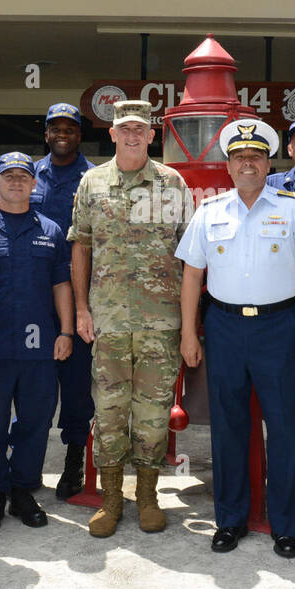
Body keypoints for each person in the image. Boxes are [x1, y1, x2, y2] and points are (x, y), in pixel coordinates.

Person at [177, 119, 295, 558]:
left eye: (256, 156)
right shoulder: (209, 212)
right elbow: (191, 275)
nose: (248, 163)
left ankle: (285, 525)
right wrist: (190, 332)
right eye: (240, 157)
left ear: (268, 165)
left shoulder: (293, 207)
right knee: (228, 428)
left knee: (284, 427)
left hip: (279, 328)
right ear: (228, 166)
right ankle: (230, 520)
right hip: (223, 328)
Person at [69, 100, 193, 538]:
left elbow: (191, 254)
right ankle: (110, 498)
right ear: (114, 134)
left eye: (141, 128)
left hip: (162, 322)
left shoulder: (171, 183)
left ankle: (146, 496)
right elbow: (81, 246)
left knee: (153, 414)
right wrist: (82, 309)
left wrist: (191, 324)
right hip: (109, 321)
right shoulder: (92, 182)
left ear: (152, 134)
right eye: (125, 129)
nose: (133, 135)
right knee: (108, 412)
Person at [0, 152, 74, 533]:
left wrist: (65, 332)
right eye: (7, 175)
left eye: (23, 177)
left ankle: (23, 488)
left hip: (39, 345)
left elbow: (61, 284)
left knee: (35, 421)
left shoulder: (50, 230)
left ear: (34, 184)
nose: (16, 182)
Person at [31, 103, 96, 499]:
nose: (62, 135)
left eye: (69, 129)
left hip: (78, 297)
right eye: (55, 128)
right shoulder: (27, 175)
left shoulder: (92, 179)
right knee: (35, 389)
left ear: (79, 135)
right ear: (46, 134)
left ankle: (74, 463)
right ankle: (29, 463)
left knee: (75, 390)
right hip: (34, 298)